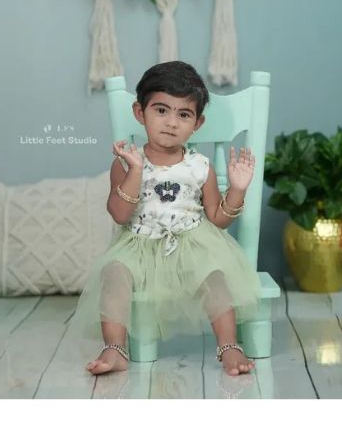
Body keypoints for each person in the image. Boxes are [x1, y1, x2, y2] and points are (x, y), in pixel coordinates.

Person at [71, 60, 262, 377]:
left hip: (192, 243)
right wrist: (135, 171)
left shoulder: (200, 166)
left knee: (214, 277)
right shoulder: (126, 162)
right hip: (139, 246)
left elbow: (218, 218)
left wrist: (238, 190)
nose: (171, 122)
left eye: (183, 115)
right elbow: (119, 214)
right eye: (161, 110)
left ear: (197, 123)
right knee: (113, 274)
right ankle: (115, 348)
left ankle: (229, 346)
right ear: (139, 112)